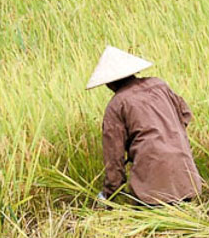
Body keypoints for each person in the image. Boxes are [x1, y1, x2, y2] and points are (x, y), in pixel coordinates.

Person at [87, 46, 203, 206]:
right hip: (185, 177)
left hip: (152, 188)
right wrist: (169, 135)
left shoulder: (116, 105)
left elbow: (114, 157)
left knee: (154, 216)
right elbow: (185, 115)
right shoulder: (160, 85)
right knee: (182, 214)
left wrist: (109, 194)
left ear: (109, 83)